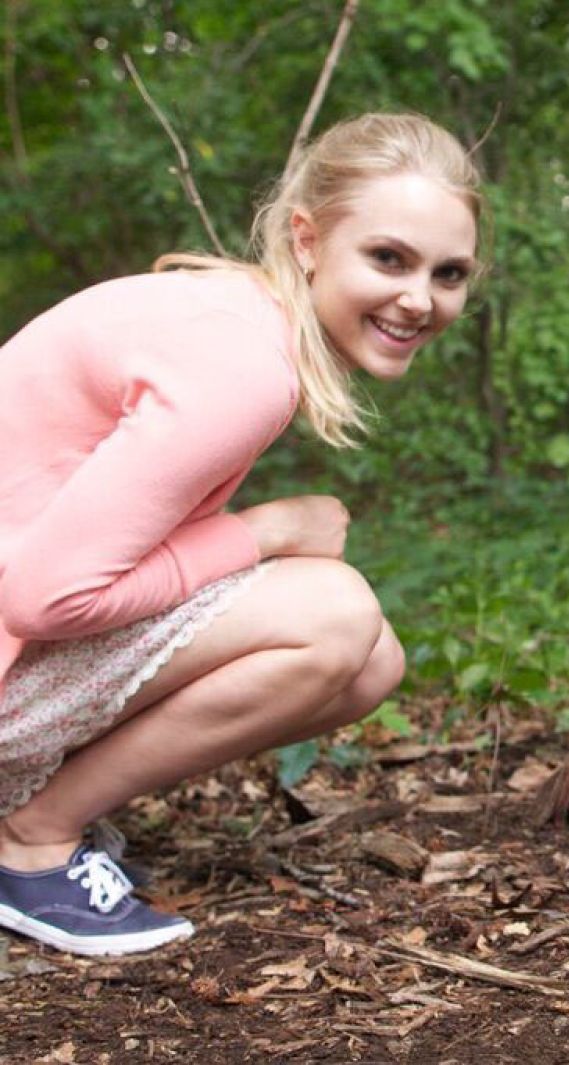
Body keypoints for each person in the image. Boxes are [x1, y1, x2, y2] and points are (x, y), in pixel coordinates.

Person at [0, 113, 482, 956]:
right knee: (333, 613)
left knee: (372, 659)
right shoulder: (242, 364)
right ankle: (32, 842)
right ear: (306, 238)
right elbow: (46, 593)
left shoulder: (236, 321)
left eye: (450, 273)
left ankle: (39, 808)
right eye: (389, 258)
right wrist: (264, 529)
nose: (421, 297)